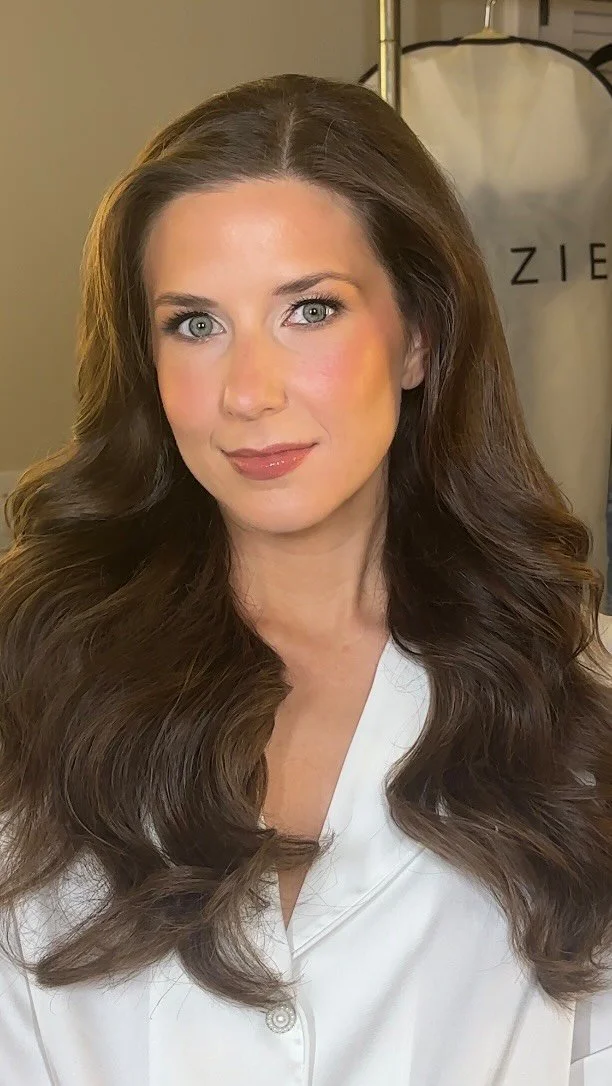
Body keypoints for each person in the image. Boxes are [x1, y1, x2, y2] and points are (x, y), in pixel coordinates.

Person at [0, 72, 611, 1085]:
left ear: (418, 338)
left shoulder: (577, 694)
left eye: (311, 310)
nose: (249, 392)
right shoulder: (30, 674)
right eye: (195, 324)